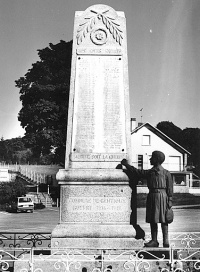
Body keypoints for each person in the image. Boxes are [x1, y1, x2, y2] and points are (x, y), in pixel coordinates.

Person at [121, 151, 173, 247]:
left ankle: (166, 240)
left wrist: (170, 200)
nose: (150, 159)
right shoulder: (150, 172)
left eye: (152, 157)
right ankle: (154, 240)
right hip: (152, 196)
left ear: (156, 160)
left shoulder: (166, 173)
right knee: (153, 219)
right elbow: (137, 172)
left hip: (163, 196)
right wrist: (127, 165)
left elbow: (170, 188)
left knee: (164, 219)